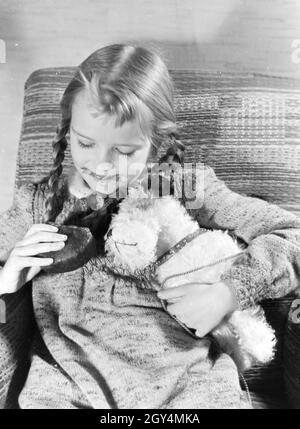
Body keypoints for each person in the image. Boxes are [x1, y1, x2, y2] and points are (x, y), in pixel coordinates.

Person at [0, 43, 300, 409]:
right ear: (67, 132)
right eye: (85, 143)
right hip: (65, 390)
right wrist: (6, 283)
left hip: (191, 391)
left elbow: (292, 235)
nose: (101, 164)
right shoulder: (38, 205)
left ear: (156, 143)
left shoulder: (184, 187)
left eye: (124, 151)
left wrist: (228, 293)